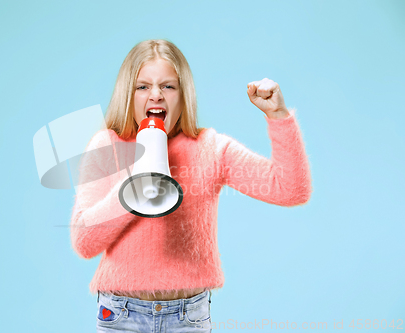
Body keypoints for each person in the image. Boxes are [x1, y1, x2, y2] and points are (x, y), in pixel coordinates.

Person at [70, 39, 312, 332]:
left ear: (184, 95)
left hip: (188, 317)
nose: (156, 95)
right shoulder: (107, 145)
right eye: (143, 86)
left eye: (168, 86)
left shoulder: (210, 148)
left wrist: (277, 117)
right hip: (122, 316)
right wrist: (133, 188)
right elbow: (84, 243)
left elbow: (290, 189)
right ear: (127, 94)